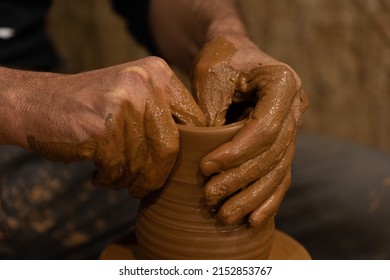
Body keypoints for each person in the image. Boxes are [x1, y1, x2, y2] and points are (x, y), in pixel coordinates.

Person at [0, 0, 389, 259]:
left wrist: (226, 35)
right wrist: (26, 101)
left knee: (378, 200)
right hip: (31, 112)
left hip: (66, 111)